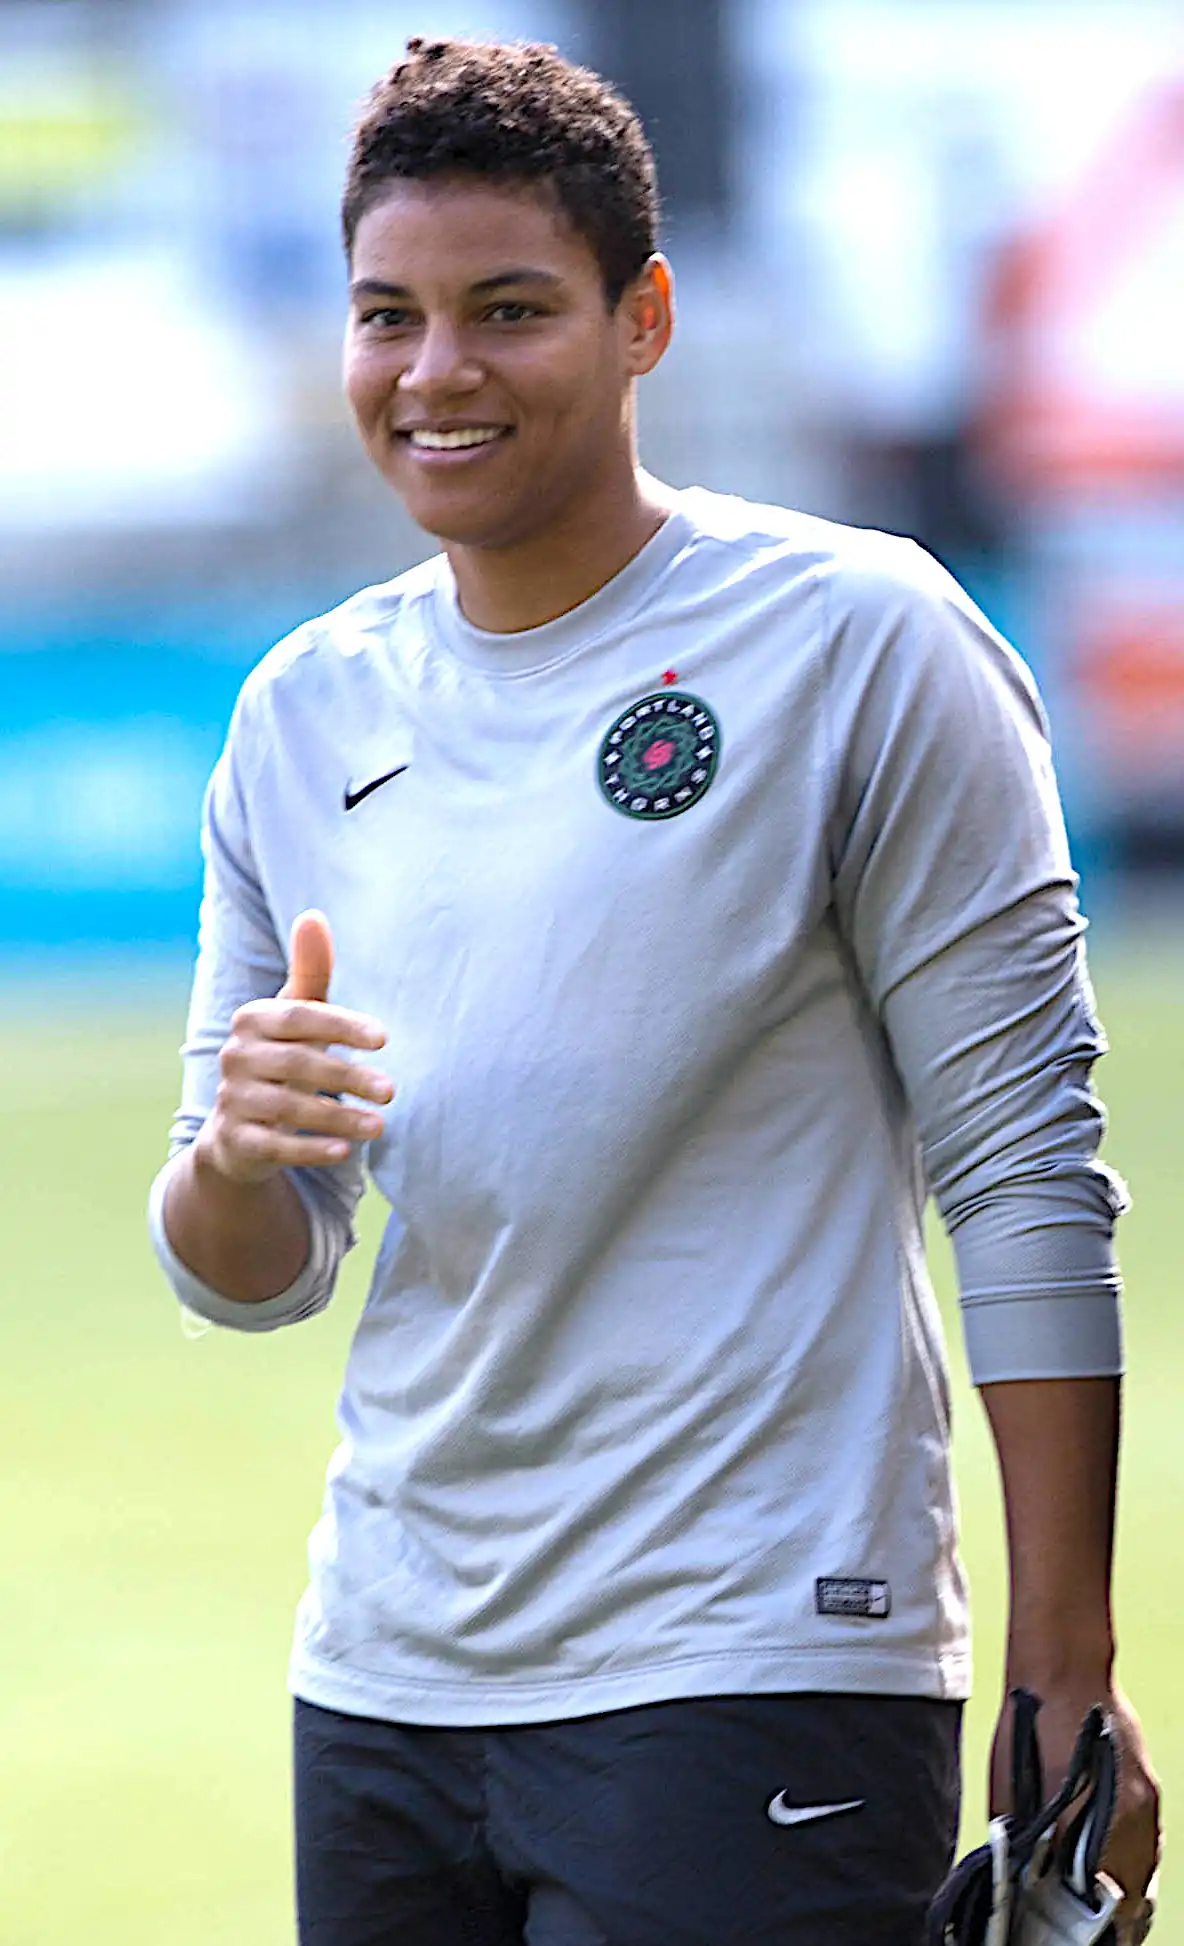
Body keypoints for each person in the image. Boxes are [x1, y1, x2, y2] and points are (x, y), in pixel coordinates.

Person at [148, 36, 1160, 1946]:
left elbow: (1027, 1171)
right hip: (385, 1673)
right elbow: (249, 1270)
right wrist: (233, 1157)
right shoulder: (304, 710)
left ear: (645, 320)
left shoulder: (862, 641)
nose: (435, 372)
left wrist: (1064, 1657)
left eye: (508, 309)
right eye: (388, 315)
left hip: (761, 1658)